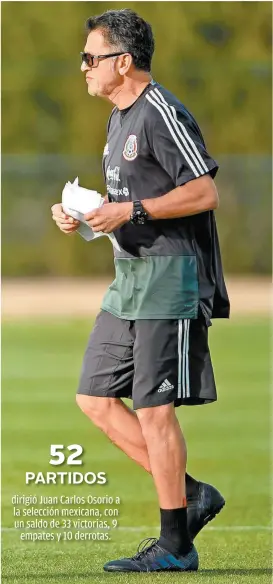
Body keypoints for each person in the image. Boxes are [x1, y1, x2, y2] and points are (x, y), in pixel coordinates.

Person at [51, 8, 230, 573]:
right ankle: (192, 495)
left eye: (90, 57)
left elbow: (204, 192)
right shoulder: (117, 118)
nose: (83, 68)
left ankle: (176, 544)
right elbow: (130, 203)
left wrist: (132, 209)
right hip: (128, 277)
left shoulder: (160, 111)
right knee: (95, 399)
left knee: (155, 411)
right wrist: (83, 216)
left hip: (170, 278)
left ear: (121, 62)